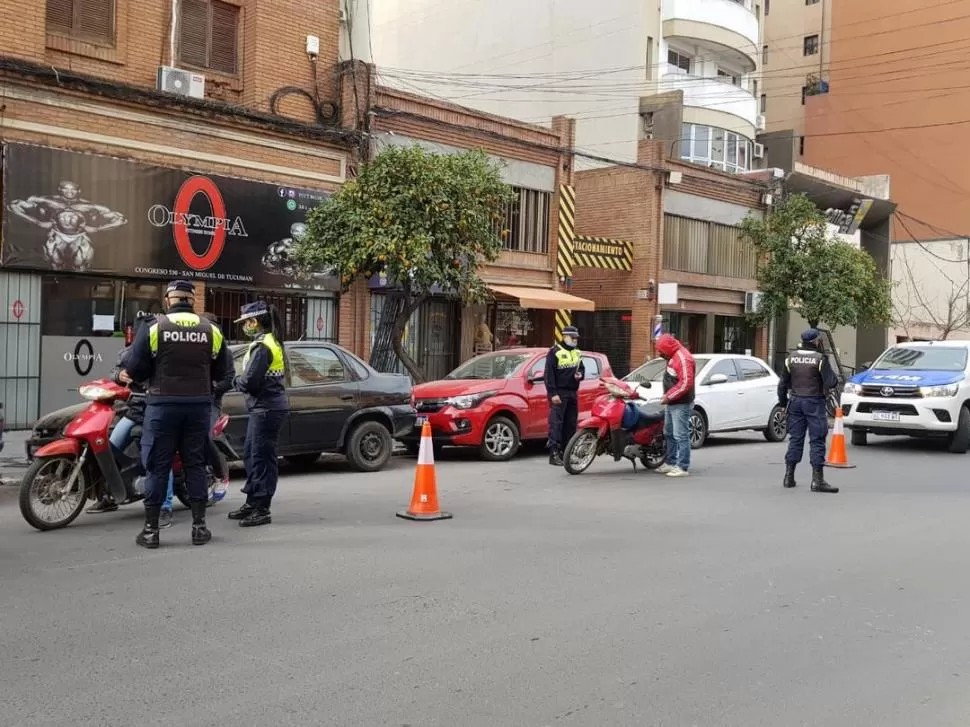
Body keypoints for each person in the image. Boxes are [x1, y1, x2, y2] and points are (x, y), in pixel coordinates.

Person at [125, 280, 233, 548]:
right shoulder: (211, 330)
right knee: (195, 465)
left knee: (158, 467)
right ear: (192, 300)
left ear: (168, 300)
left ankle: (151, 532)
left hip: (162, 406)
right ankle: (199, 529)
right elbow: (225, 374)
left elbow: (135, 369)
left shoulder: (154, 327)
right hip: (197, 407)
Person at [158, 311, 234, 523]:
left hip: (209, 401)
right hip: (188, 399)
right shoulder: (192, 347)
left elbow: (229, 378)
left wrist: (210, 388)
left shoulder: (221, 348)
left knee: (204, 436)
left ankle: (220, 475)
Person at [227, 301, 289, 527]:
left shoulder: (264, 346)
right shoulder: (267, 342)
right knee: (253, 456)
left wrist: (235, 381)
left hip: (266, 409)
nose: (244, 326)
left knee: (261, 459)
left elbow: (250, 382)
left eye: (245, 322)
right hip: (265, 408)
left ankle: (262, 508)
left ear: (254, 321)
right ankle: (253, 502)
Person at [87, 311, 154, 515]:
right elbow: (113, 373)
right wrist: (119, 375)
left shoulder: (163, 353)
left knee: (152, 457)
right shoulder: (128, 353)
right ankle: (108, 496)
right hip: (134, 411)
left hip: (155, 413)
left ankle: (155, 499)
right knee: (109, 450)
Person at [778, 328, 840, 494]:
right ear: (816, 341)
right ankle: (817, 480)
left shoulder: (790, 358)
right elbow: (832, 382)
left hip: (795, 402)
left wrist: (783, 404)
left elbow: (782, 384)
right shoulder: (820, 358)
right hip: (814, 402)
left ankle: (788, 477)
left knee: (795, 439)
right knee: (817, 439)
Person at [655, 334, 696, 478]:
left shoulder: (683, 358)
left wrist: (668, 396)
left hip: (681, 403)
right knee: (669, 432)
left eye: (661, 350)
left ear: (667, 348)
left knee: (680, 434)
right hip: (673, 402)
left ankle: (682, 466)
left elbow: (686, 383)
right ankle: (671, 462)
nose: (660, 354)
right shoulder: (673, 356)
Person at [544, 325, 585, 466]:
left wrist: (581, 375)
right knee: (556, 424)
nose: (575, 341)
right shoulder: (554, 352)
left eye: (576, 338)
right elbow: (549, 375)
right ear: (564, 337)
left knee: (571, 424)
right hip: (559, 393)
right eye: (573, 338)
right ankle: (554, 453)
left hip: (573, 392)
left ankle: (566, 453)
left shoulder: (577, 352)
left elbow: (582, 368)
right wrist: (553, 393)